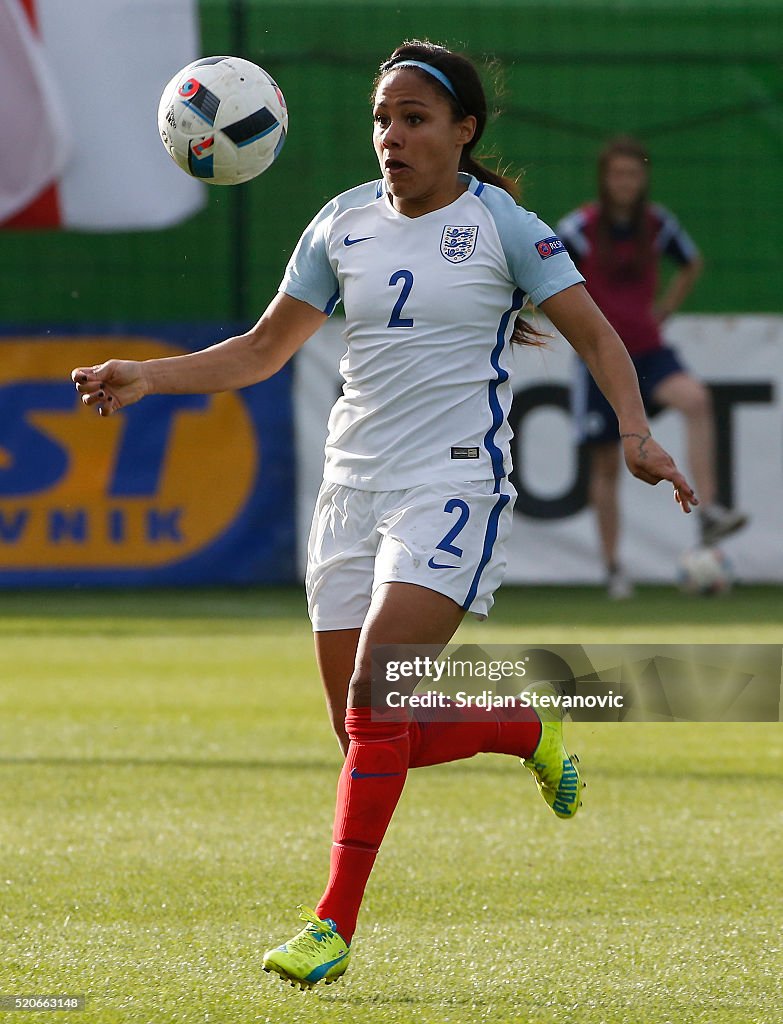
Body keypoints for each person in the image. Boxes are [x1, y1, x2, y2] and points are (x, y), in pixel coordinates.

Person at [72, 42, 697, 989]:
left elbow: (598, 334)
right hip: (350, 491)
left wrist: (637, 432)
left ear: (462, 132)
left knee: (375, 689)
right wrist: (148, 375)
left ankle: (331, 927)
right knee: (365, 729)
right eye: (382, 119)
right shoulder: (341, 224)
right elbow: (257, 351)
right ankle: (522, 729)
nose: (392, 137)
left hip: (451, 485)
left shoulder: (504, 227)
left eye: (414, 119)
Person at [557, 135, 747, 599]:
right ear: (605, 179)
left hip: (648, 349)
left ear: (643, 179)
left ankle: (708, 511)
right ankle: (613, 568)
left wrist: (664, 309)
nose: (625, 182)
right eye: (617, 173)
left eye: (633, 174)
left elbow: (691, 262)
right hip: (599, 358)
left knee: (696, 399)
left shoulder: (658, 224)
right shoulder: (580, 228)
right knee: (606, 466)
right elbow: (547, 274)